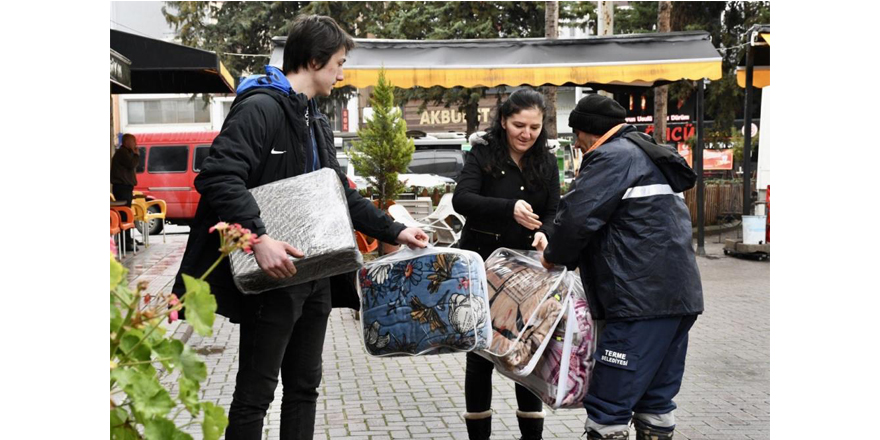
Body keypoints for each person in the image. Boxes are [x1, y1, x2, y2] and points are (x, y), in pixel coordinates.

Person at [171, 15, 429, 440]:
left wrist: (394, 230)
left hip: (316, 273)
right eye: (338, 63)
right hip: (273, 274)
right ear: (313, 61)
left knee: (305, 388)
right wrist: (258, 241)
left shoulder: (314, 119)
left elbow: (339, 193)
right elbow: (218, 176)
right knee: (255, 393)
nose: (342, 74)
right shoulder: (261, 107)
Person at [540, 94, 704, 440]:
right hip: (679, 299)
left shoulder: (612, 156)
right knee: (656, 401)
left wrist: (553, 255)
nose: (580, 148)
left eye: (579, 141)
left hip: (637, 301)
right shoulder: (650, 155)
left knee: (609, 407)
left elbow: (577, 219)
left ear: (586, 132)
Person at [452, 88, 561, 440]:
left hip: (528, 271)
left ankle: (532, 437)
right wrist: (508, 208)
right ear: (503, 121)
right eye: (519, 125)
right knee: (481, 354)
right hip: (484, 266)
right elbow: (462, 199)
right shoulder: (483, 152)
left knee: (526, 351)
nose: (526, 134)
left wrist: (545, 232)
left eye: (534, 127)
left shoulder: (545, 159)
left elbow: (554, 210)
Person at [110, 133, 140, 249]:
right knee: (124, 213)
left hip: (125, 187)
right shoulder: (122, 153)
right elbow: (131, 164)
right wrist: (136, 155)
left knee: (126, 213)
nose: (135, 144)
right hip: (122, 187)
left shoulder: (126, 153)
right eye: (133, 142)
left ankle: (127, 239)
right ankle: (124, 241)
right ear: (127, 142)